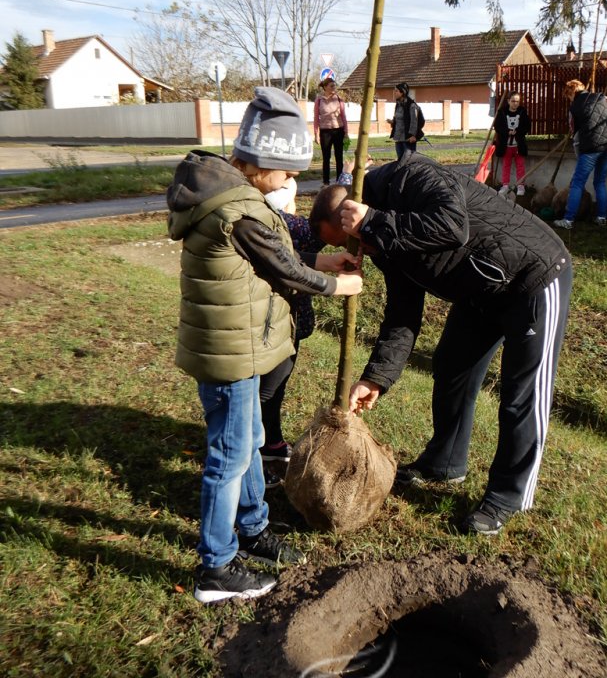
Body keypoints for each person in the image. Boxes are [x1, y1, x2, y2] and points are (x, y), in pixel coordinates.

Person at [167, 87, 363, 603]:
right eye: (288, 172)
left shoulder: (233, 196)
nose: (292, 182)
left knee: (250, 440)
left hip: (239, 345)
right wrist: (337, 284)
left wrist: (321, 262)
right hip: (231, 353)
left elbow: (271, 257)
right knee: (229, 457)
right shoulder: (239, 209)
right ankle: (216, 566)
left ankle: (253, 529)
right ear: (261, 164)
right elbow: (284, 269)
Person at [309, 150, 572, 535]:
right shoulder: (380, 238)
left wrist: (374, 222)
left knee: (521, 394)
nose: (357, 250)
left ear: (354, 211)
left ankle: (507, 496)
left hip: (532, 275)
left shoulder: (409, 176)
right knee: (451, 365)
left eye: (351, 240)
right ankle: (445, 463)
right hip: (480, 289)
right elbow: (402, 315)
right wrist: (375, 378)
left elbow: (453, 225)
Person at [258, 157, 371, 470]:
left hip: (288, 326)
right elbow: (292, 267)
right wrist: (337, 284)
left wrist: (348, 173)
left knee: (275, 387)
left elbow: (335, 202)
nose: (346, 239)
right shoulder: (296, 231)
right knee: (269, 390)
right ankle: (261, 447)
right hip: (279, 326)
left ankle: (270, 441)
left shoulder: (297, 225)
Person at [554, 79, 607, 229]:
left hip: (591, 148)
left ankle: (568, 220)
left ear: (571, 93)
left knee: (577, 183)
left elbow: (575, 135)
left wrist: (579, 155)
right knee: (600, 182)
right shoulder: (602, 97)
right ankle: (601, 217)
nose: (569, 99)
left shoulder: (574, 108)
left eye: (568, 96)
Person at [494, 92, 531, 197]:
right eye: (513, 101)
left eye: (517, 101)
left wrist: (518, 131)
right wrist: (507, 131)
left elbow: (527, 126)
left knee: (520, 166)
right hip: (506, 146)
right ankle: (505, 185)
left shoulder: (522, 112)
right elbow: (498, 127)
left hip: (518, 145)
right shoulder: (502, 112)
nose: (515, 103)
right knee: (506, 165)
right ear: (508, 101)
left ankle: (520, 186)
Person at [313, 77, 348, 186]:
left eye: (334, 86)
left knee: (339, 157)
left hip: (338, 131)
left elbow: (343, 116)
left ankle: (339, 181)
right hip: (325, 132)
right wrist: (316, 134)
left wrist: (346, 132)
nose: (334, 88)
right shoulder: (319, 100)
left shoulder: (338, 99)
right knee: (326, 158)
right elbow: (316, 118)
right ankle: (326, 182)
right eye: (331, 86)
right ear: (325, 87)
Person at [388, 82, 423, 160]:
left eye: (396, 91)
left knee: (409, 161)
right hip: (398, 138)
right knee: (400, 161)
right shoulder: (398, 105)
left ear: (402, 92)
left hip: (408, 139)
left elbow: (415, 121)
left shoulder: (411, 105)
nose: (394, 93)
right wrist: (393, 122)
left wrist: (413, 135)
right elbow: (400, 119)